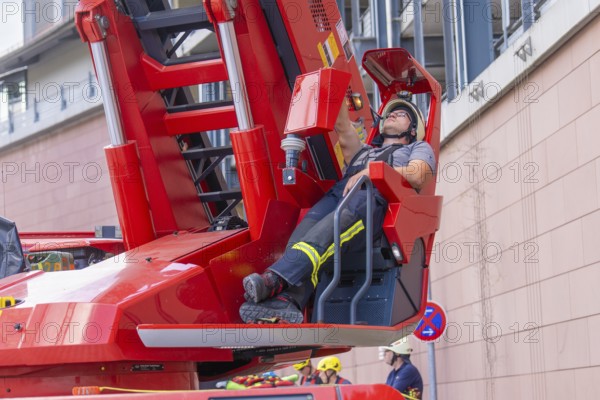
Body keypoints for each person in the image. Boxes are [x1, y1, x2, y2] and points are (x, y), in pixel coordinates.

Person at [239, 93, 436, 323]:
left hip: (371, 201)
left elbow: (418, 174)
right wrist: (336, 86)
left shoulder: (418, 148)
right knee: (301, 237)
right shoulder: (364, 152)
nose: (392, 114)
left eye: (401, 113)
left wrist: (370, 173)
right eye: (390, 112)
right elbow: (342, 126)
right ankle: (288, 301)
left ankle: (273, 280)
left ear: (413, 130)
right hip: (339, 195)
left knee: (325, 235)